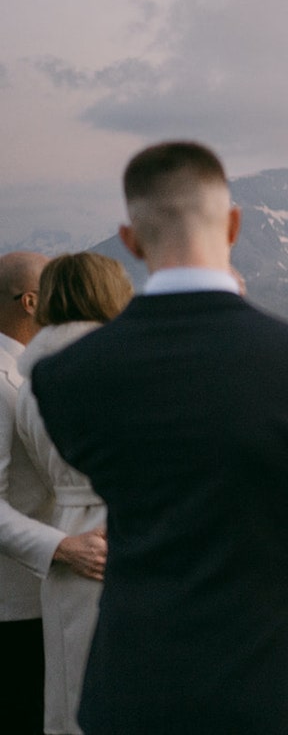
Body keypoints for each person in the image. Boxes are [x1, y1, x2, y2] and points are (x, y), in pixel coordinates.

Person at [30, 141, 288, 735]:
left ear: (132, 239)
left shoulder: (66, 376)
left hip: (135, 690)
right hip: (283, 690)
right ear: (235, 225)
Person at [13, 253, 134, 734]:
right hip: (124, 532)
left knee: (71, 701)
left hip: (66, 537)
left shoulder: (28, 380)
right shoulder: (117, 369)